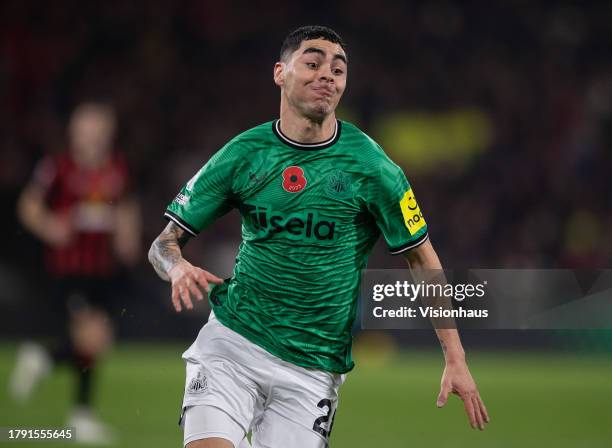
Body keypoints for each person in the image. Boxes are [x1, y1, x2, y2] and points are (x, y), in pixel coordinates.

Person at [148, 25, 489, 448]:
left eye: (338, 70)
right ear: (280, 73)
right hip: (232, 345)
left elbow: (422, 259)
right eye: (313, 63)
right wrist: (176, 266)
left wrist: (455, 358)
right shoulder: (244, 154)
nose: (328, 75)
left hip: (312, 370)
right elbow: (164, 242)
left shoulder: (372, 167)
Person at [10, 101, 141, 444]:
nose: (95, 136)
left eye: (100, 129)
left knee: (93, 344)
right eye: (88, 129)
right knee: (93, 337)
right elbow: (28, 206)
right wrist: (50, 226)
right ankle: (44, 362)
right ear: (75, 132)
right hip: (68, 270)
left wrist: (128, 234)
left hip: (102, 269)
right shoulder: (58, 167)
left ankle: (73, 405)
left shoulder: (116, 169)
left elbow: (126, 205)